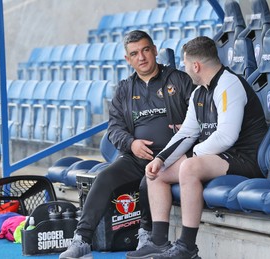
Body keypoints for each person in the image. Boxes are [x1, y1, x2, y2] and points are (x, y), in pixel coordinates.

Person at [126, 36, 268, 259]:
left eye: (185, 64)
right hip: (217, 157)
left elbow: (225, 137)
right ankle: (159, 241)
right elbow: (186, 133)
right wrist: (161, 159)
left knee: (189, 167)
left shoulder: (229, 84)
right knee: (157, 173)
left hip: (244, 158)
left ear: (196, 66)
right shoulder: (198, 92)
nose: (184, 69)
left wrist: (190, 157)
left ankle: (187, 247)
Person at [59, 30, 195, 259]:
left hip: (172, 156)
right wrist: (131, 144)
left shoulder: (179, 80)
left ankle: (147, 236)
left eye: (145, 50)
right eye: (134, 53)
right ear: (128, 59)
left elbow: (199, 112)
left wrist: (187, 127)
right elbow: (114, 128)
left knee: (147, 182)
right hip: (136, 156)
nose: (141, 57)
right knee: (103, 178)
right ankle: (82, 240)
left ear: (153, 50)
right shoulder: (124, 89)